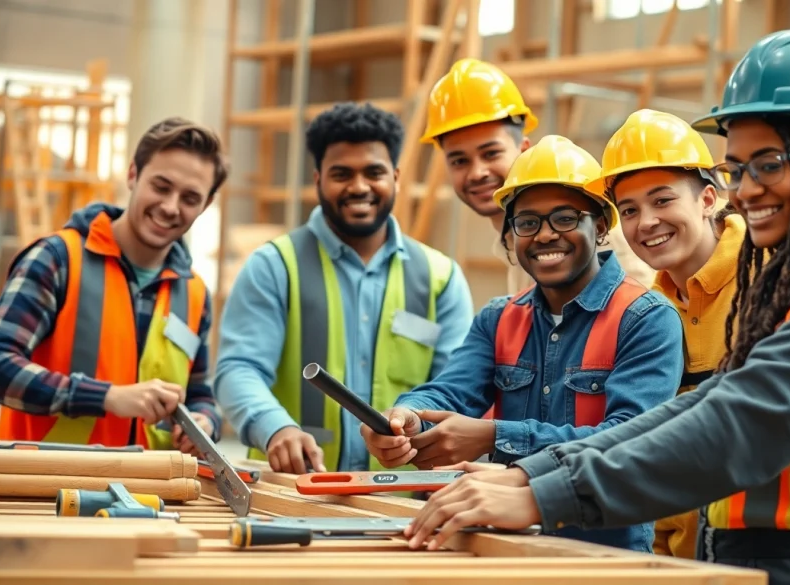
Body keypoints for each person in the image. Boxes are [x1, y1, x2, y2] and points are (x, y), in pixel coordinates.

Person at [399, 30, 790, 585]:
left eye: (770, 164)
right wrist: (535, 475)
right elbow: (709, 404)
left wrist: (546, 491)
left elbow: (744, 427)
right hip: (765, 564)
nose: (749, 189)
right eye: (739, 169)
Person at [361, 135, 685, 551]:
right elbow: (450, 392)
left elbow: (629, 443)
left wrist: (495, 436)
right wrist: (405, 420)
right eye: (528, 223)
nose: (545, 235)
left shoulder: (646, 319)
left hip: (605, 556)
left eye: (565, 218)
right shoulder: (498, 318)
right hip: (505, 548)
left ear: (601, 225)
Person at [214, 102, 475, 474]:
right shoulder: (274, 267)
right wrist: (275, 428)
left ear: (396, 177)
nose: (359, 187)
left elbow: (457, 389)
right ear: (318, 179)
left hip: (407, 502)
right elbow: (239, 369)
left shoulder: (441, 278)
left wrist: (418, 427)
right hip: (296, 493)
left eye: (374, 172)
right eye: (342, 174)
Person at [0, 117, 229, 454]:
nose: (170, 207)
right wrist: (107, 397)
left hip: (148, 494)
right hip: (43, 488)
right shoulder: (58, 260)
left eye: (190, 198)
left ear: (206, 205)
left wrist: (204, 422)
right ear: (133, 174)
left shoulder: (194, 294)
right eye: (161, 187)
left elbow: (199, 394)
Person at [584, 108, 743, 559]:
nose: (646, 222)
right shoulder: (648, 315)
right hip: (678, 557)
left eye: (663, 200)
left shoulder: (768, 281)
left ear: (709, 199)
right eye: (629, 210)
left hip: (761, 556)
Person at [421, 58, 654, 294]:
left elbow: (644, 312)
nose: (477, 172)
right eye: (460, 161)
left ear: (523, 149)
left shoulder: (591, 232)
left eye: (491, 153)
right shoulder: (512, 241)